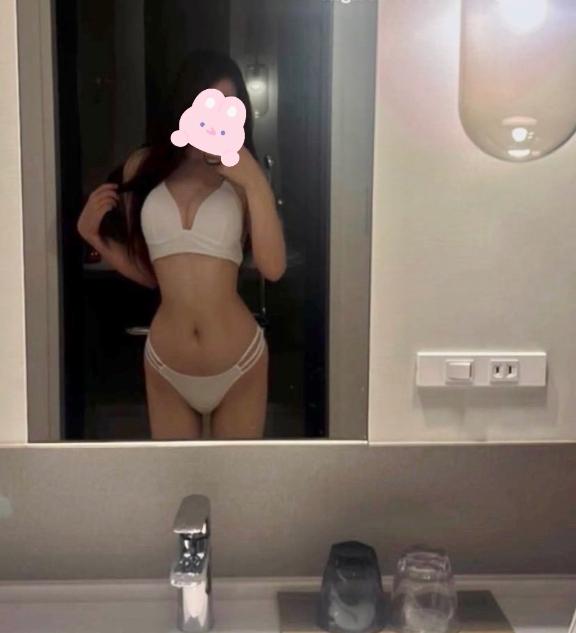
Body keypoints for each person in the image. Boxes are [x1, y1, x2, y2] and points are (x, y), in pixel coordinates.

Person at [77, 50, 286, 440]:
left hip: (239, 363)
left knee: (238, 478)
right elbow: (150, 274)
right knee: (174, 478)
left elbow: (273, 268)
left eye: (230, 107)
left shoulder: (244, 175)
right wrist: (94, 236)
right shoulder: (143, 166)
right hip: (166, 365)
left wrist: (255, 181)